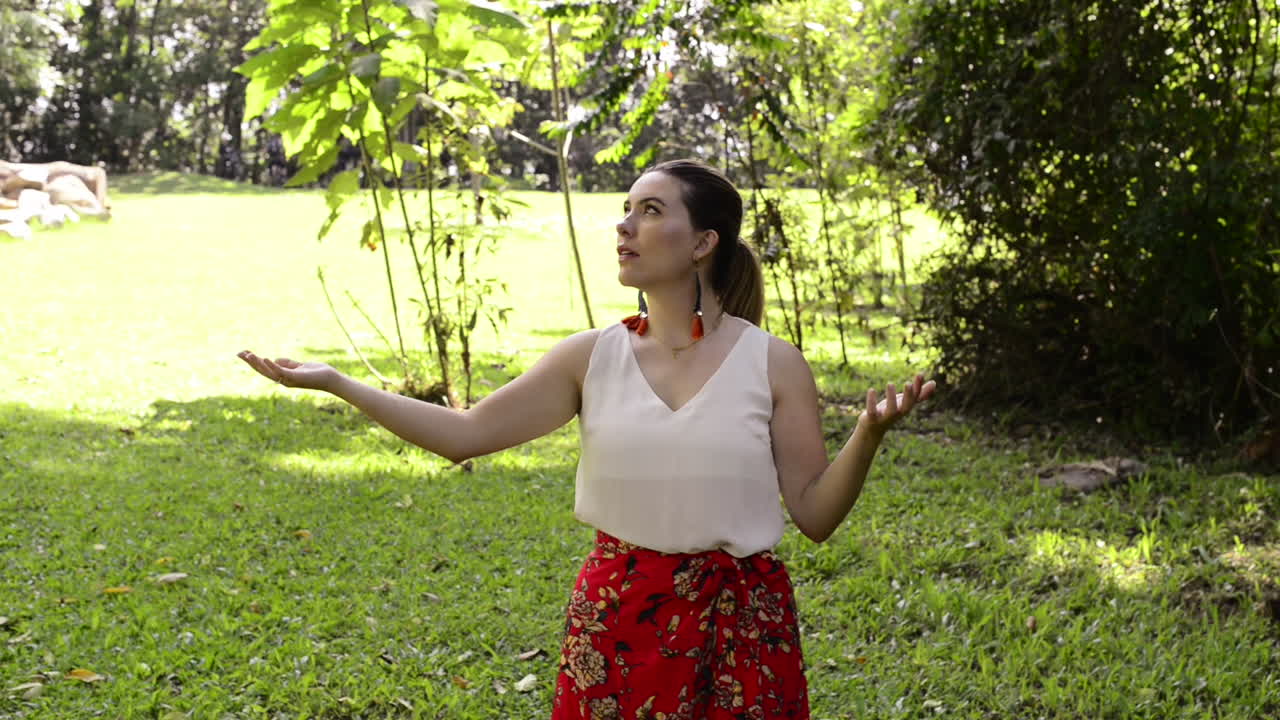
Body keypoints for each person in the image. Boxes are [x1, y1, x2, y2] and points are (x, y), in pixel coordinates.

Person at [238, 159, 935, 718]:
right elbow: (465, 435)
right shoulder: (590, 358)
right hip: (619, 618)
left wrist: (868, 434)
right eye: (627, 210)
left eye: (651, 211)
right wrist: (338, 382)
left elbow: (813, 515)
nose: (625, 226)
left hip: (742, 625)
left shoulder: (772, 362)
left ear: (702, 243)